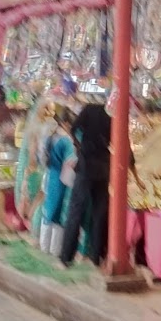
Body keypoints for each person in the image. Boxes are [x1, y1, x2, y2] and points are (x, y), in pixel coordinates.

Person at [59, 99, 113, 266]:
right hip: (104, 166)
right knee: (100, 213)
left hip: (86, 165)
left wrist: (79, 147)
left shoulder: (89, 109)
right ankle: (96, 256)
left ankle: (67, 256)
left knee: (76, 211)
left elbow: (73, 129)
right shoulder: (112, 114)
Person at [41, 108, 76, 255]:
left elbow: (43, 158)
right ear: (66, 123)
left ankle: (44, 245)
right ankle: (55, 249)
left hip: (50, 176)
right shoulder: (66, 141)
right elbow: (71, 162)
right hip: (62, 179)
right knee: (59, 212)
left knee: (49, 209)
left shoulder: (50, 137)